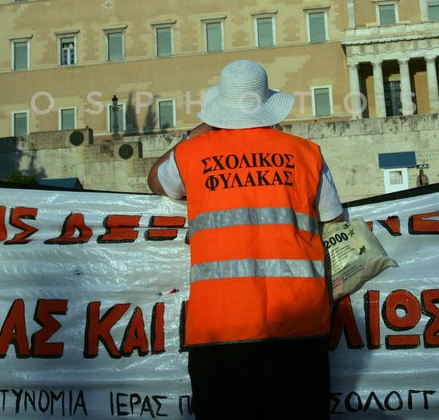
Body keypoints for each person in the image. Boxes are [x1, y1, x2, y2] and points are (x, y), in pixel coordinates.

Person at [147, 60, 344, 420]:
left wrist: (199, 130)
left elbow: (155, 181)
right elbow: (334, 218)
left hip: (219, 324)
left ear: (220, 109)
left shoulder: (192, 153)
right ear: (268, 105)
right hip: (298, 321)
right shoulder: (306, 153)